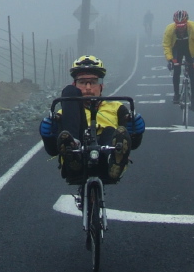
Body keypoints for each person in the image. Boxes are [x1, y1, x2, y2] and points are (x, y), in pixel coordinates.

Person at [39, 55, 145, 183]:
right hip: (78, 156)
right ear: (75, 84)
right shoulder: (64, 114)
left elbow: (132, 144)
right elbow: (52, 150)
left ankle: (114, 161)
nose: (88, 88)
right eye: (82, 82)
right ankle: (73, 151)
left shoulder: (117, 107)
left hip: (106, 156)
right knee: (68, 92)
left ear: (101, 86)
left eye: (93, 82)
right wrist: (47, 136)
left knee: (111, 131)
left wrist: (136, 132)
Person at [163, 10, 194, 110]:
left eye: (182, 25)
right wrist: (170, 60)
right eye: (178, 25)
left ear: (186, 22)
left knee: (192, 74)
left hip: (190, 49)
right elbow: (166, 45)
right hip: (177, 49)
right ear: (175, 24)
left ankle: (193, 98)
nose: (180, 27)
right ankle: (176, 94)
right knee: (176, 70)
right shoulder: (170, 29)